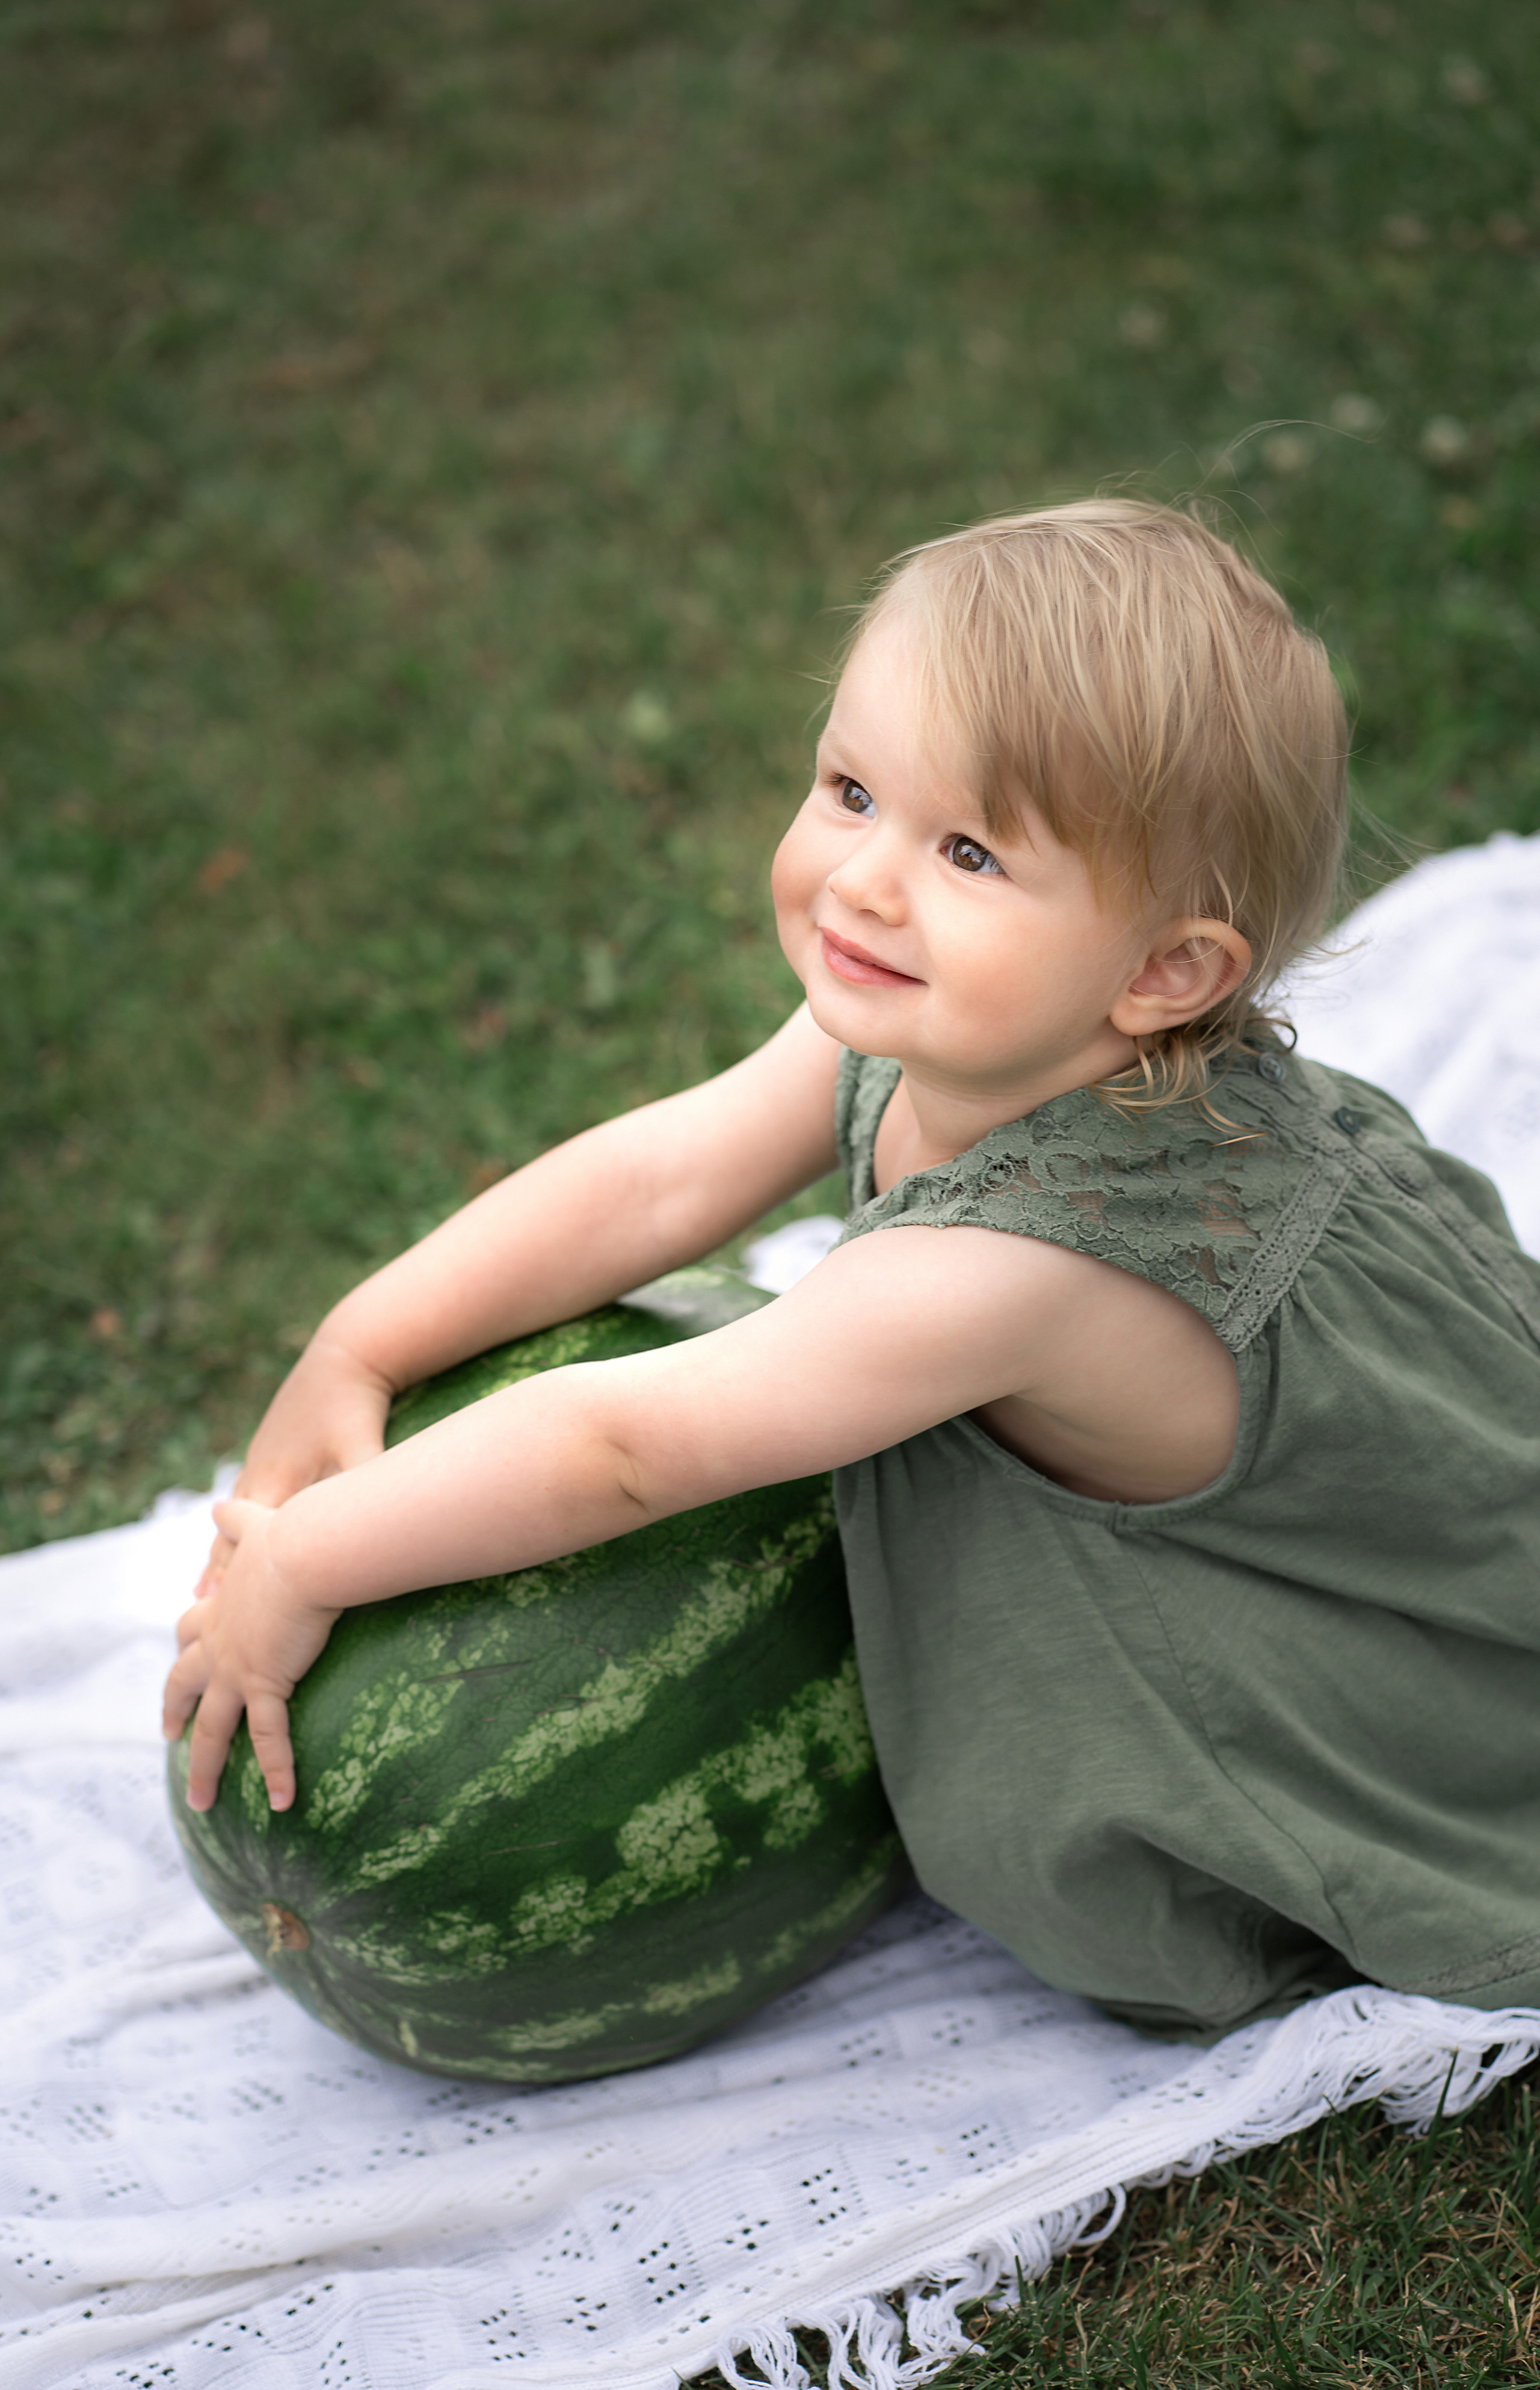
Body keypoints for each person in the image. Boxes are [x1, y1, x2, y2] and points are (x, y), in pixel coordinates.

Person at [164, 499, 1540, 2039]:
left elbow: (626, 1448)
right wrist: (359, 1347)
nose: (864, 883)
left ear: (1164, 975)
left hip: (1389, 1600)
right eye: (848, 789)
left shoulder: (1024, 1266)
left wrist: (310, 1559)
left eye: (965, 850)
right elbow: (658, 1176)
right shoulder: (937, 1017)